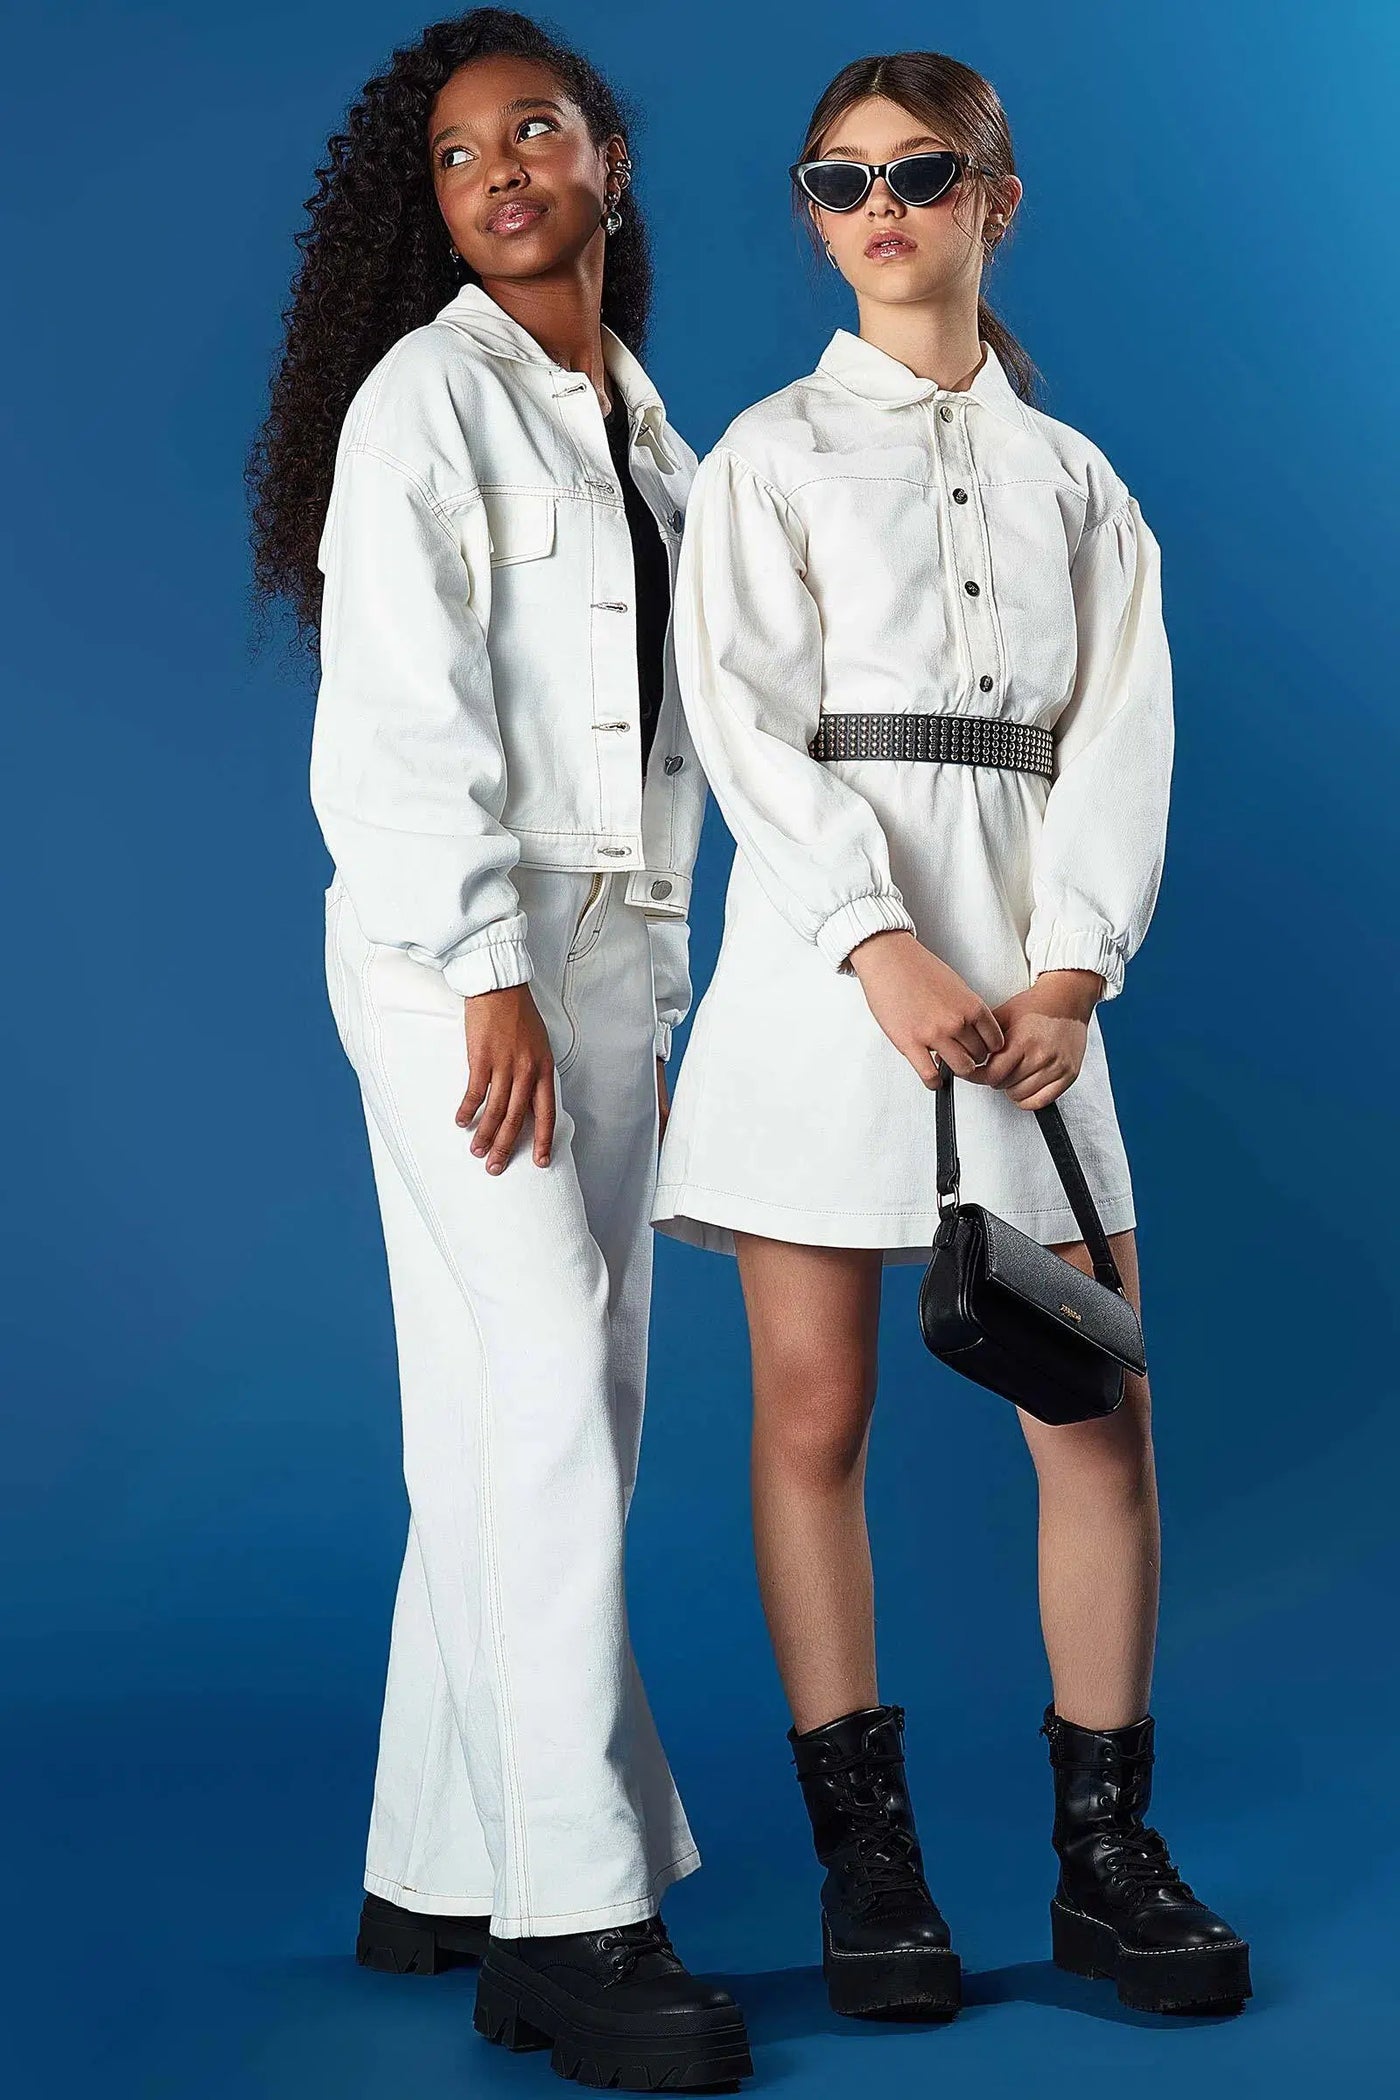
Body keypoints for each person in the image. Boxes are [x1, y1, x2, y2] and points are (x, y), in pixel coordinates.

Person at [653, 49, 1252, 2024]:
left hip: (1031, 987)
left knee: (1095, 1412)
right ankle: (871, 1869)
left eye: (919, 173)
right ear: (812, 217)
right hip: (829, 975)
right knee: (811, 1409)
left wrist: (1071, 968)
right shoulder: (764, 456)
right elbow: (744, 725)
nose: (879, 209)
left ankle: (1106, 1861)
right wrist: (873, 943)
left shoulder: (1079, 481)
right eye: (838, 182)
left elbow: (1123, 737)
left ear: (996, 197)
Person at [249, 11, 751, 2090]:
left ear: (606, 159)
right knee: (543, 1391)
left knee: (538, 1406)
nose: (501, 172)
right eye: (458, 156)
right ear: (431, 209)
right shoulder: (421, 403)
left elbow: (678, 752)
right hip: (469, 959)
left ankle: (432, 1859)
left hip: (616, 961)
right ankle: (569, 1912)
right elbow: (395, 717)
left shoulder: (648, 432)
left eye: (534, 130)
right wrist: (480, 973)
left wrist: (670, 992)